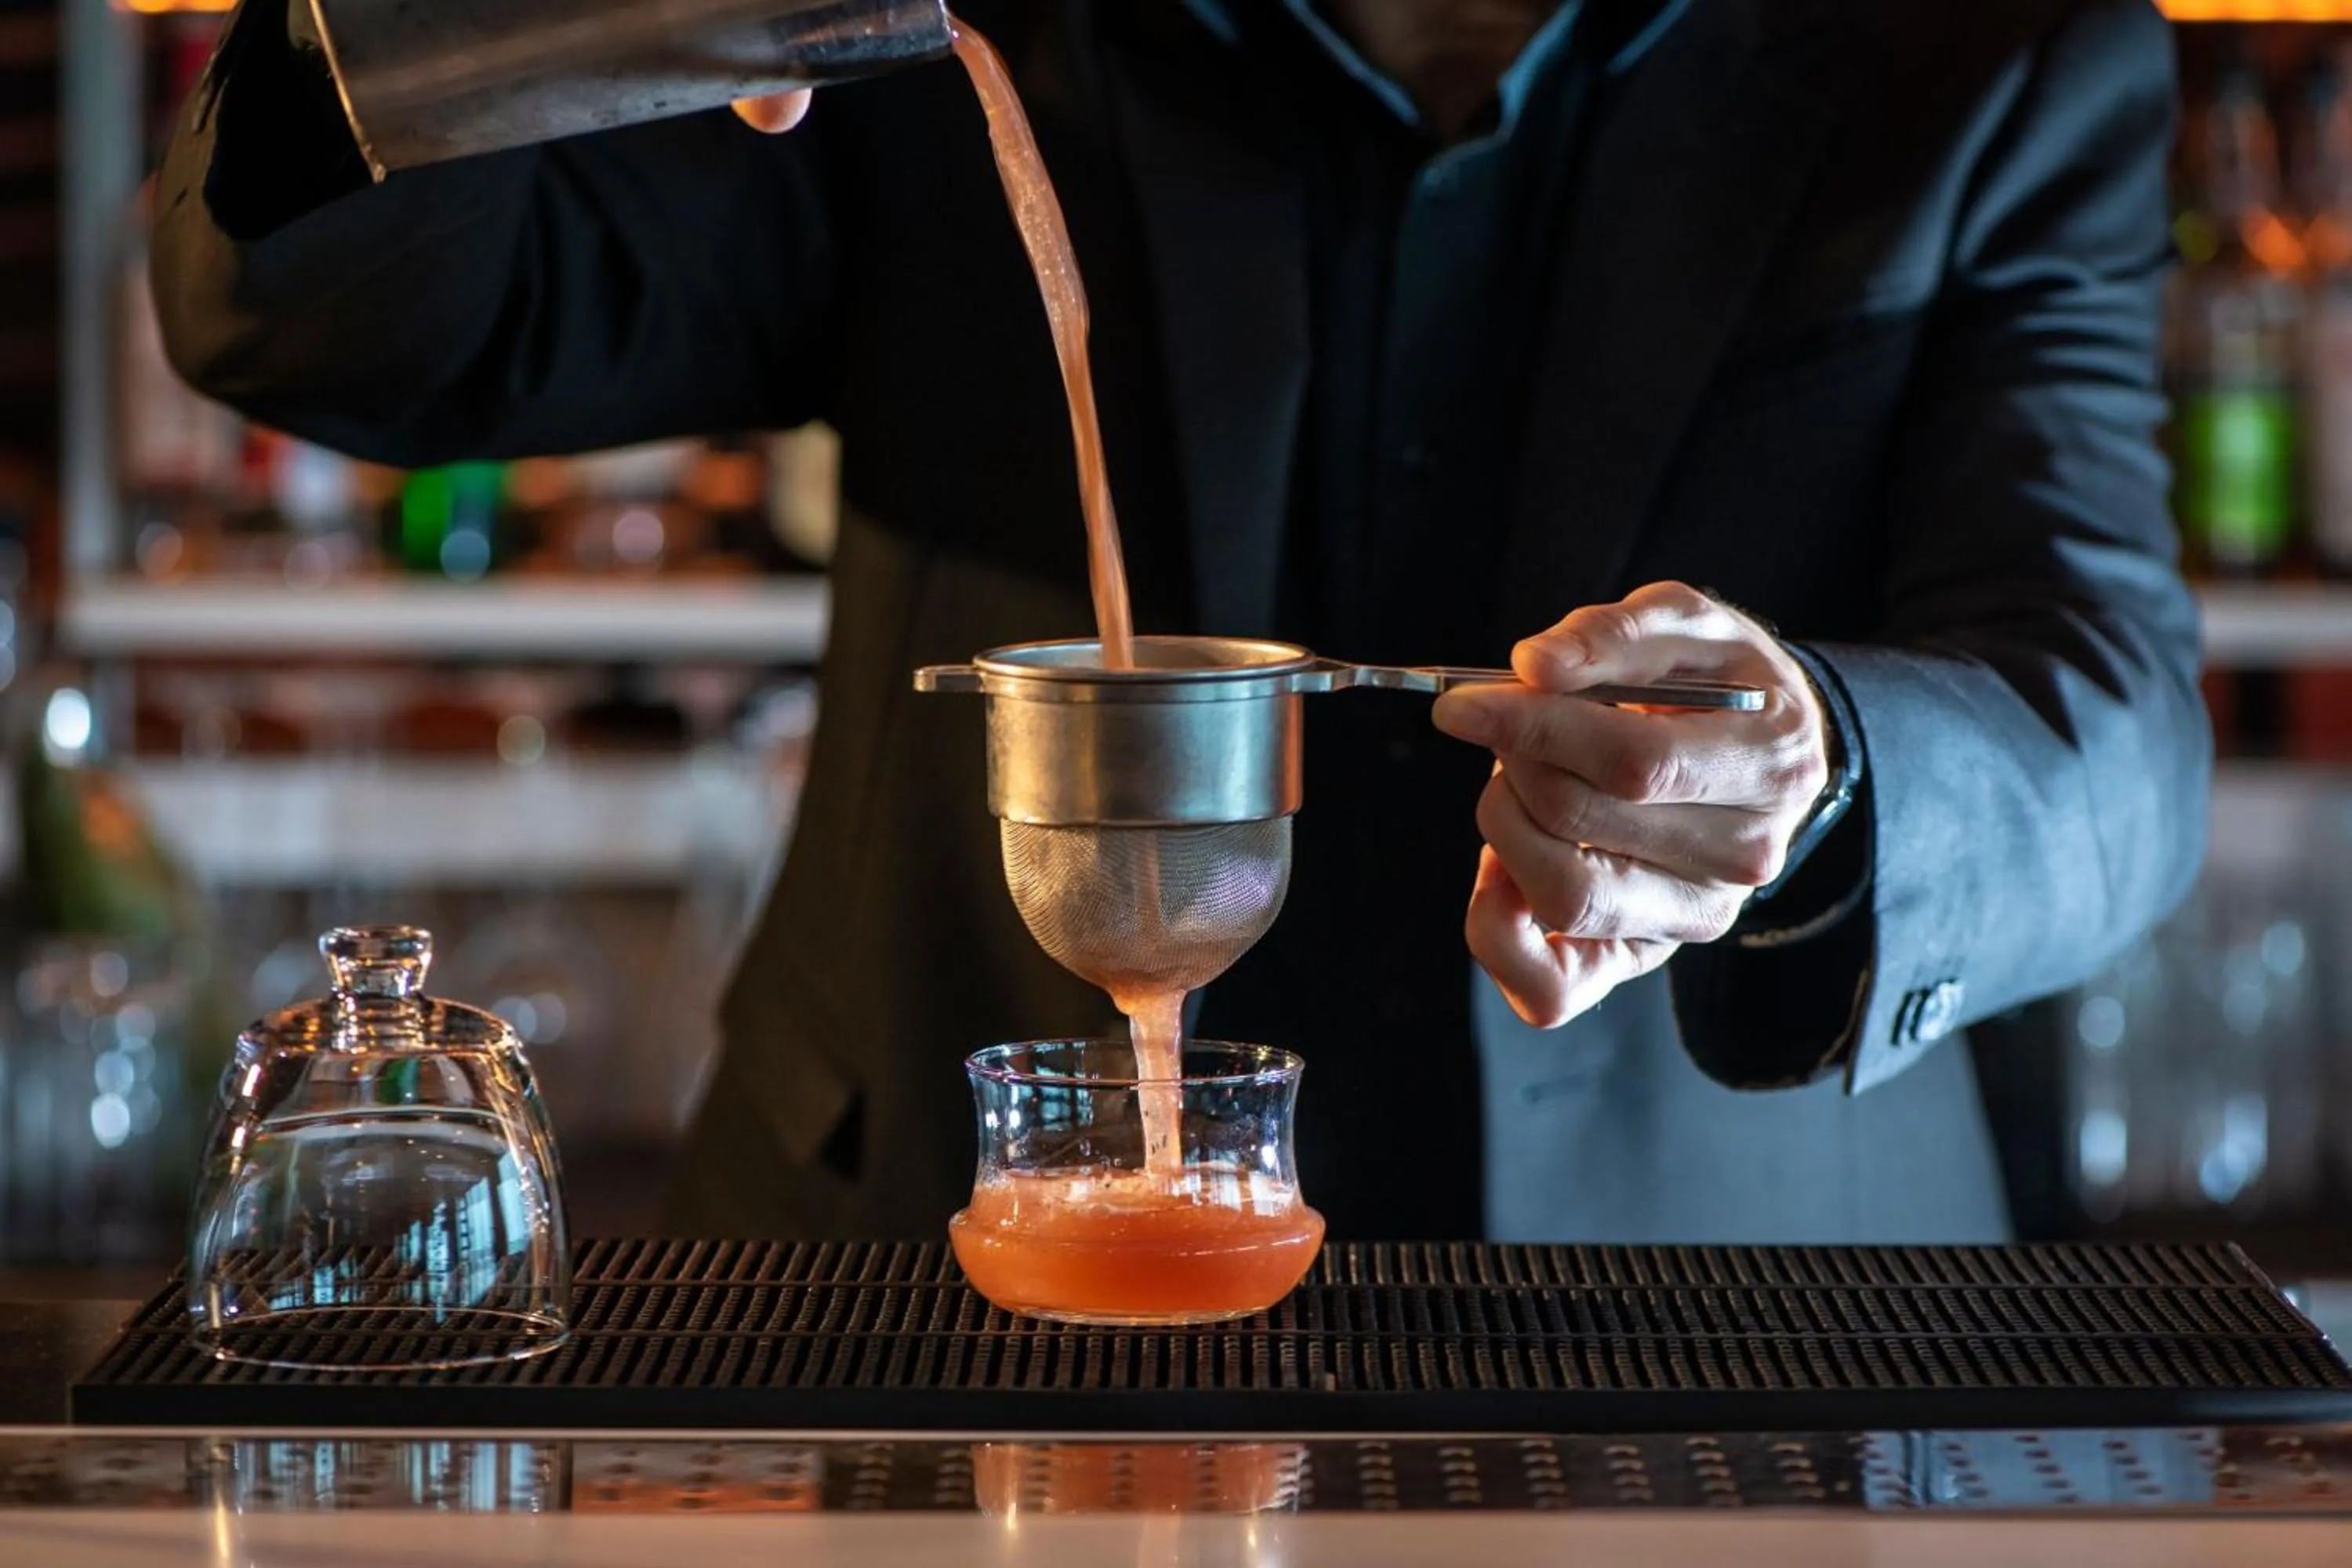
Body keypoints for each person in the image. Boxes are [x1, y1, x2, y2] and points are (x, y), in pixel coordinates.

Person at [152, 0, 2209, 1244]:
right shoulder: (952, 27)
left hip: (1726, 1336)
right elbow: (353, 328)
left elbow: (2108, 729)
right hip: (952, 1278)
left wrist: (1825, 768)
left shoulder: (1987, 48)